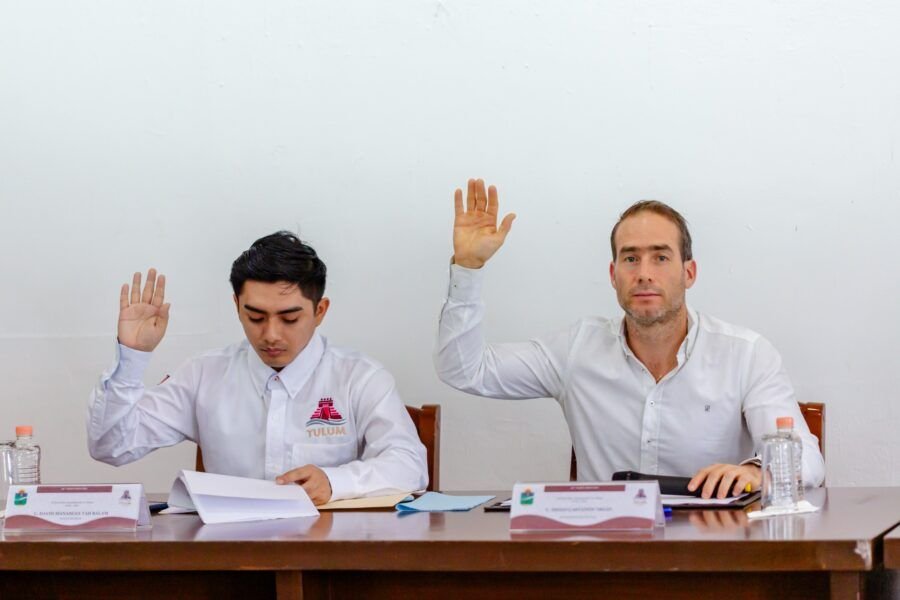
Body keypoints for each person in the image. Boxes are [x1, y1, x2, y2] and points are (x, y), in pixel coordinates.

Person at [435, 179, 825, 499]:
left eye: (660, 257)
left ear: (689, 273)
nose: (644, 273)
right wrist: (468, 269)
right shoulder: (576, 351)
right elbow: (464, 370)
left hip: (713, 553)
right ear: (613, 274)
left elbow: (807, 460)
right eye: (630, 258)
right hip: (605, 556)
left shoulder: (746, 355)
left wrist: (756, 471)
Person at [88, 231, 427, 504]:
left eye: (290, 318)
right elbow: (111, 447)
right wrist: (132, 357)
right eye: (255, 317)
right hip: (229, 558)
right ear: (236, 305)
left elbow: (409, 466)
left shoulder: (360, 377)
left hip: (328, 557)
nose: (271, 335)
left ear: (320, 310)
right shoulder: (204, 375)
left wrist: (334, 482)